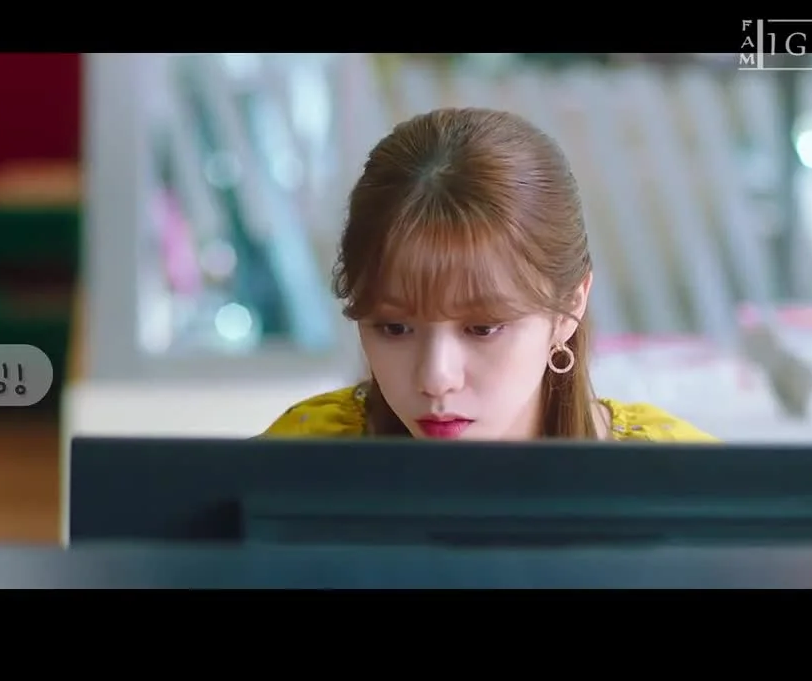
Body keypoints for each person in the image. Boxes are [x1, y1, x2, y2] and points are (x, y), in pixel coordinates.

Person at [263, 107, 716, 442]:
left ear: (569, 308)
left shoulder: (683, 483)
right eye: (395, 328)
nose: (436, 378)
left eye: (482, 329)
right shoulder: (297, 461)